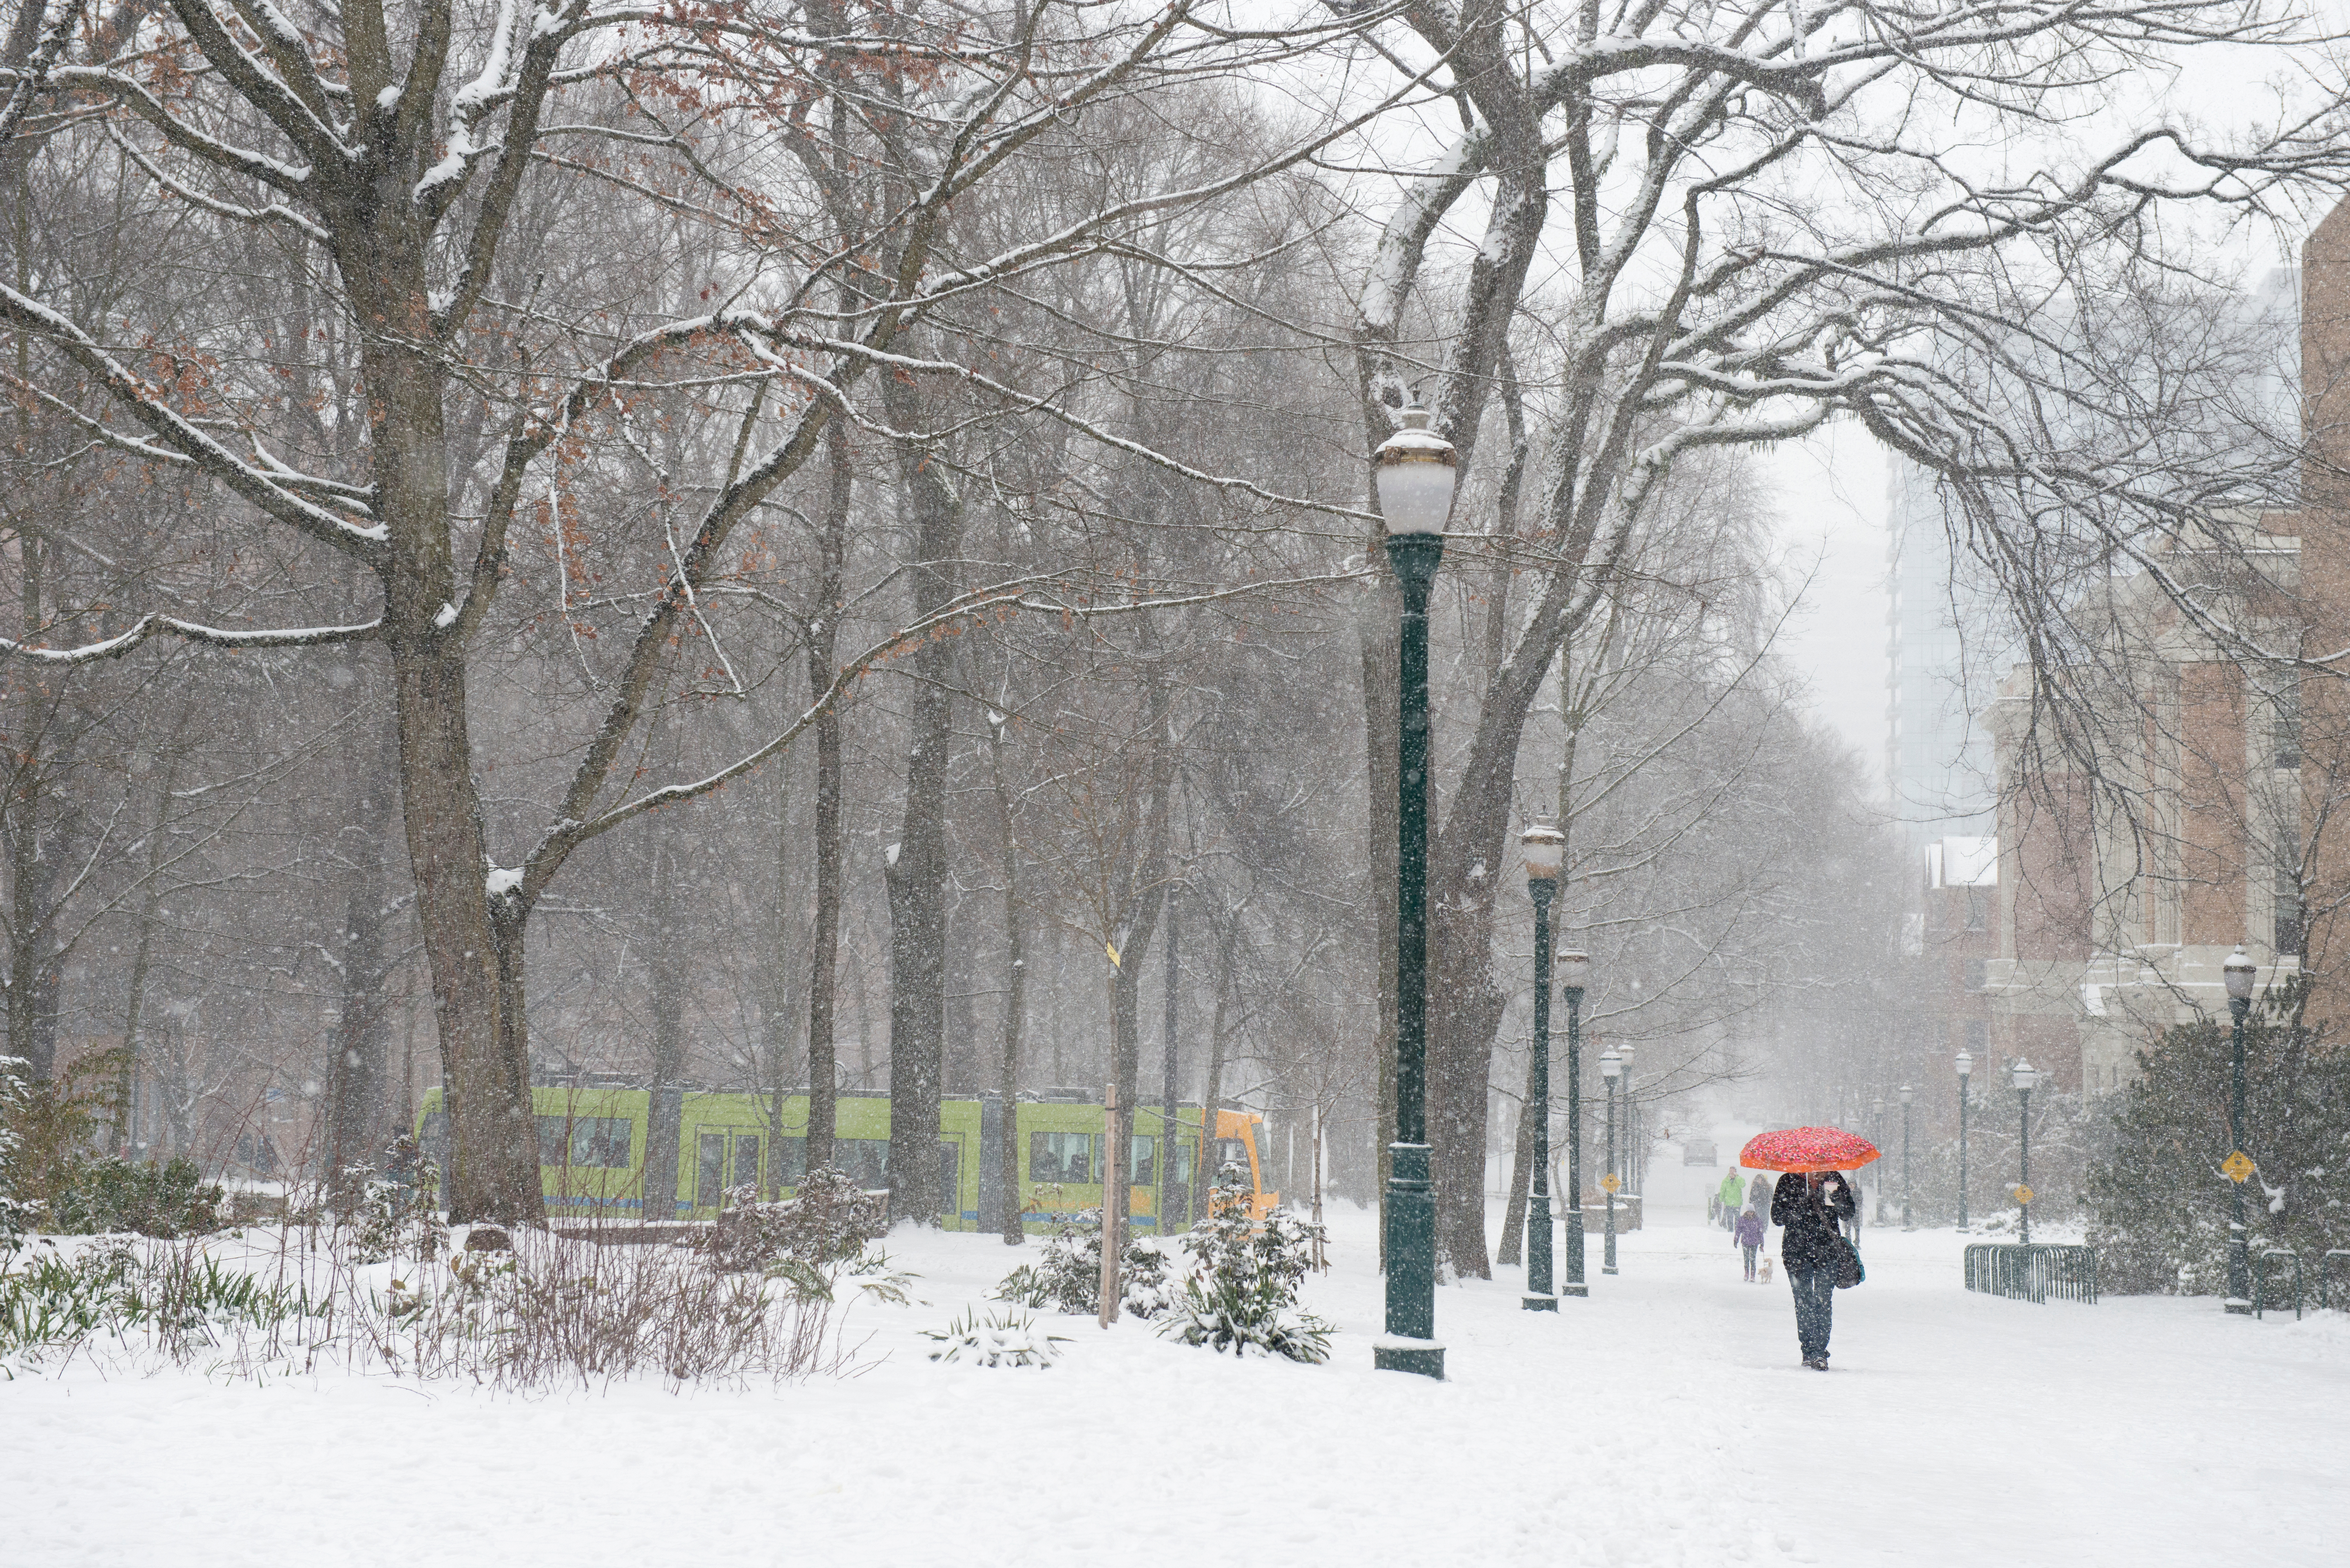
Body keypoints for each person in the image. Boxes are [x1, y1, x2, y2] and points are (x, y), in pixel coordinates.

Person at [1771, 1168, 1856, 1369]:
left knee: (1823, 1301)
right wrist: (1799, 1205)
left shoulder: (1834, 1179)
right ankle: (1808, 1351)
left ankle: (1819, 1352)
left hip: (1827, 1253)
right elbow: (1777, 1218)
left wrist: (1839, 1201)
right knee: (1803, 1302)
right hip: (1796, 1253)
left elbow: (1848, 1213)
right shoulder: (1788, 1180)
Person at [1733, 1203, 1765, 1281]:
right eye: (1749, 1212)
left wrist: (1762, 1243)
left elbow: (1760, 1232)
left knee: (1753, 1259)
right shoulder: (1742, 1220)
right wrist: (1736, 1240)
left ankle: (1753, 1275)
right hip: (1745, 1242)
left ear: (1754, 1212)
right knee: (1746, 1259)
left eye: (1752, 1212)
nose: (1751, 1213)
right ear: (1747, 1212)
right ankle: (1747, 1273)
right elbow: (1738, 1231)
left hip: (1755, 1242)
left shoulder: (1758, 1220)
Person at [1717, 1168, 1746, 1232]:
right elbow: (1723, 1191)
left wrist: (1737, 1177)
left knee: (1737, 1217)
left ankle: (1737, 1230)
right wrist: (1721, 1200)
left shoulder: (1739, 1179)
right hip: (1729, 1203)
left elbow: (1743, 1185)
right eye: (1731, 1171)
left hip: (1737, 1203)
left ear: (1736, 1172)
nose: (1732, 1172)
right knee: (1730, 1217)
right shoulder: (1726, 1181)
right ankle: (1731, 1230)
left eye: (1733, 1171)